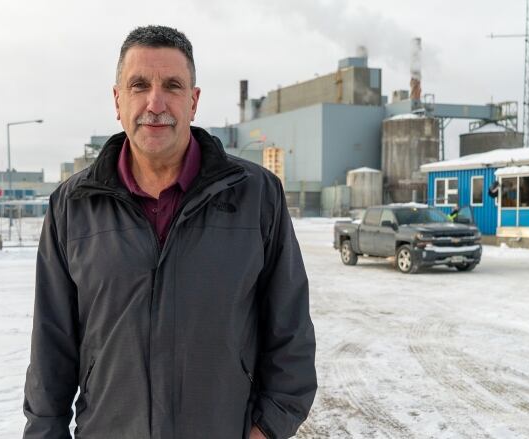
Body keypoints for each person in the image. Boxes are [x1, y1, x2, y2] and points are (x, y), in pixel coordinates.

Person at [23, 25, 317, 439]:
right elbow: (51, 347)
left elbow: (291, 334)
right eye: (139, 85)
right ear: (117, 100)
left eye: (173, 86)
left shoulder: (256, 195)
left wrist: (267, 429)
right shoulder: (73, 206)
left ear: (193, 101)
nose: (155, 103)